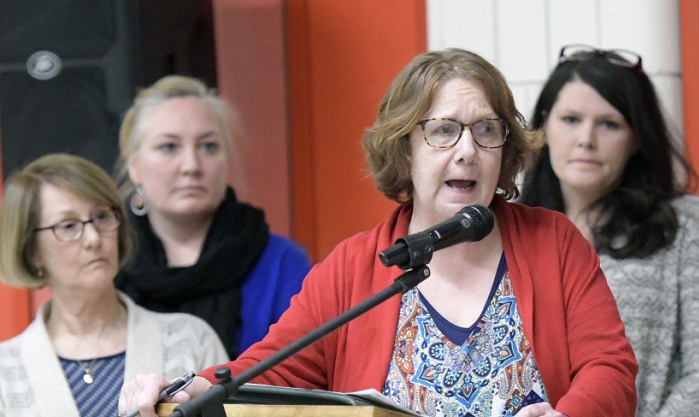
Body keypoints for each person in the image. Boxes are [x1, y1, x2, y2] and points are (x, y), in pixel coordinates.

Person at [119, 48, 638, 417]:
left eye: (486, 130)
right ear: (403, 149)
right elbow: (266, 370)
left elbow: (610, 366)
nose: (467, 150)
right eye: (442, 130)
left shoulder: (552, 240)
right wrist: (189, 390)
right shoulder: (354, 267)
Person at [520, 44, 699, 416]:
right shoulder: (511, 229)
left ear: (635, 139)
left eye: (609, 124)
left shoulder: (686, 225)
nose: (586, 139)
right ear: (544, 125)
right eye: (570, 120)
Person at [0, 153, 227, 416]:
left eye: (101, 217)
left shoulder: (190, 339)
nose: (94, 238)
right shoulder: (5, 372)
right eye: (68, 225)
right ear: (32, 251)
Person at [113, 76, 311, 358]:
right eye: (169, 147)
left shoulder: (280, 263)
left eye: (208, 147)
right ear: (134, 166)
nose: (191, 165)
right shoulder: (109, 262)